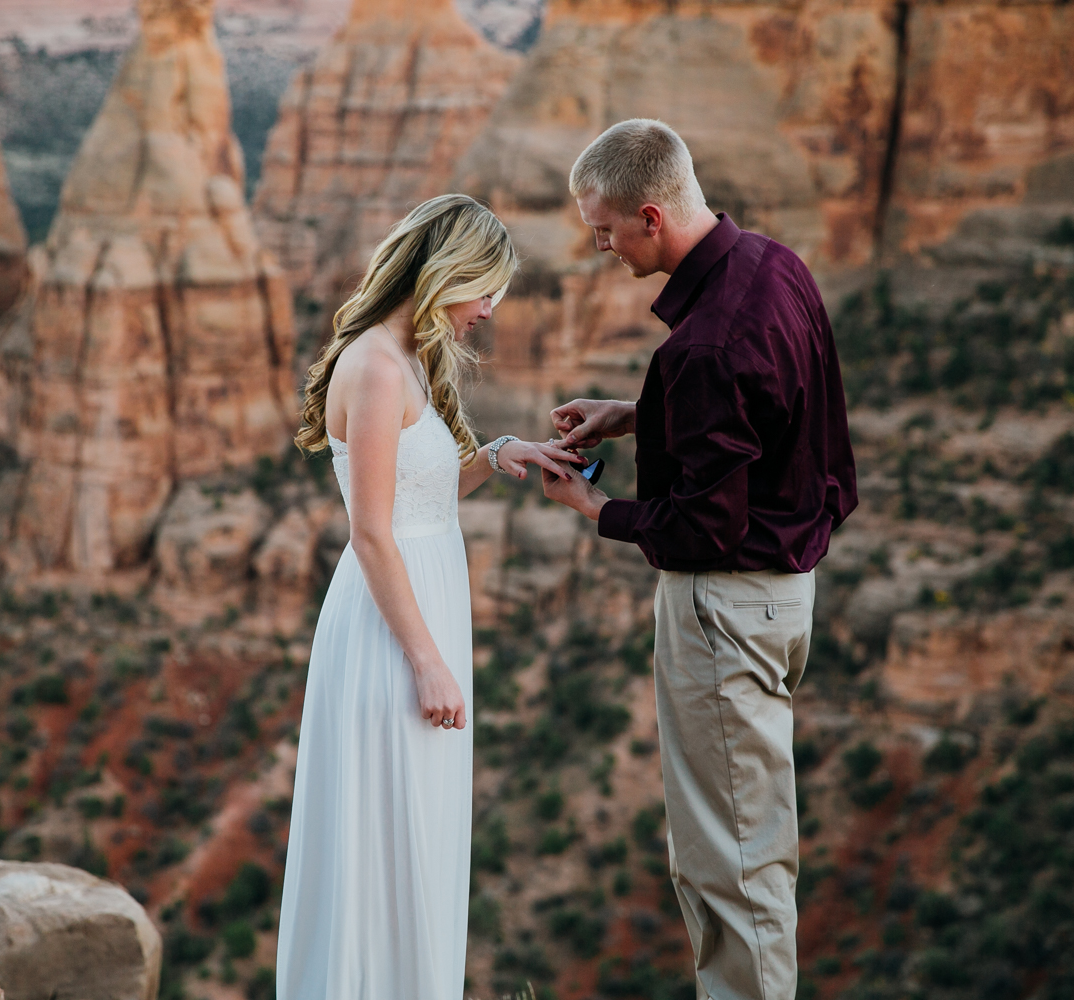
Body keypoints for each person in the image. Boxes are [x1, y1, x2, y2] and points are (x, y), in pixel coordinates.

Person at [540, 119, 858, 1000]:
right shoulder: (771, 265)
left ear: (650, 216)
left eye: (603, 227)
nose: (595, 243)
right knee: (746, 850)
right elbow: (768, 409)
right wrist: (634, 409)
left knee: (732, 868)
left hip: (723, 610)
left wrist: (596, 507)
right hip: (782, 598)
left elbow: (700, 529)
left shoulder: (702, 346)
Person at [276, 193, 580, 999]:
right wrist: (428, 662)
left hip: (420, 613)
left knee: (421, 827)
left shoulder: (407, 355)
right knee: (388, 827)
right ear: (447, 270)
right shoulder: (376, 366)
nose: (491, 308)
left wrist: (500, 452)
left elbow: (421, 497)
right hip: (393, 629)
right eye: (486, 288)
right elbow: (373, 530)